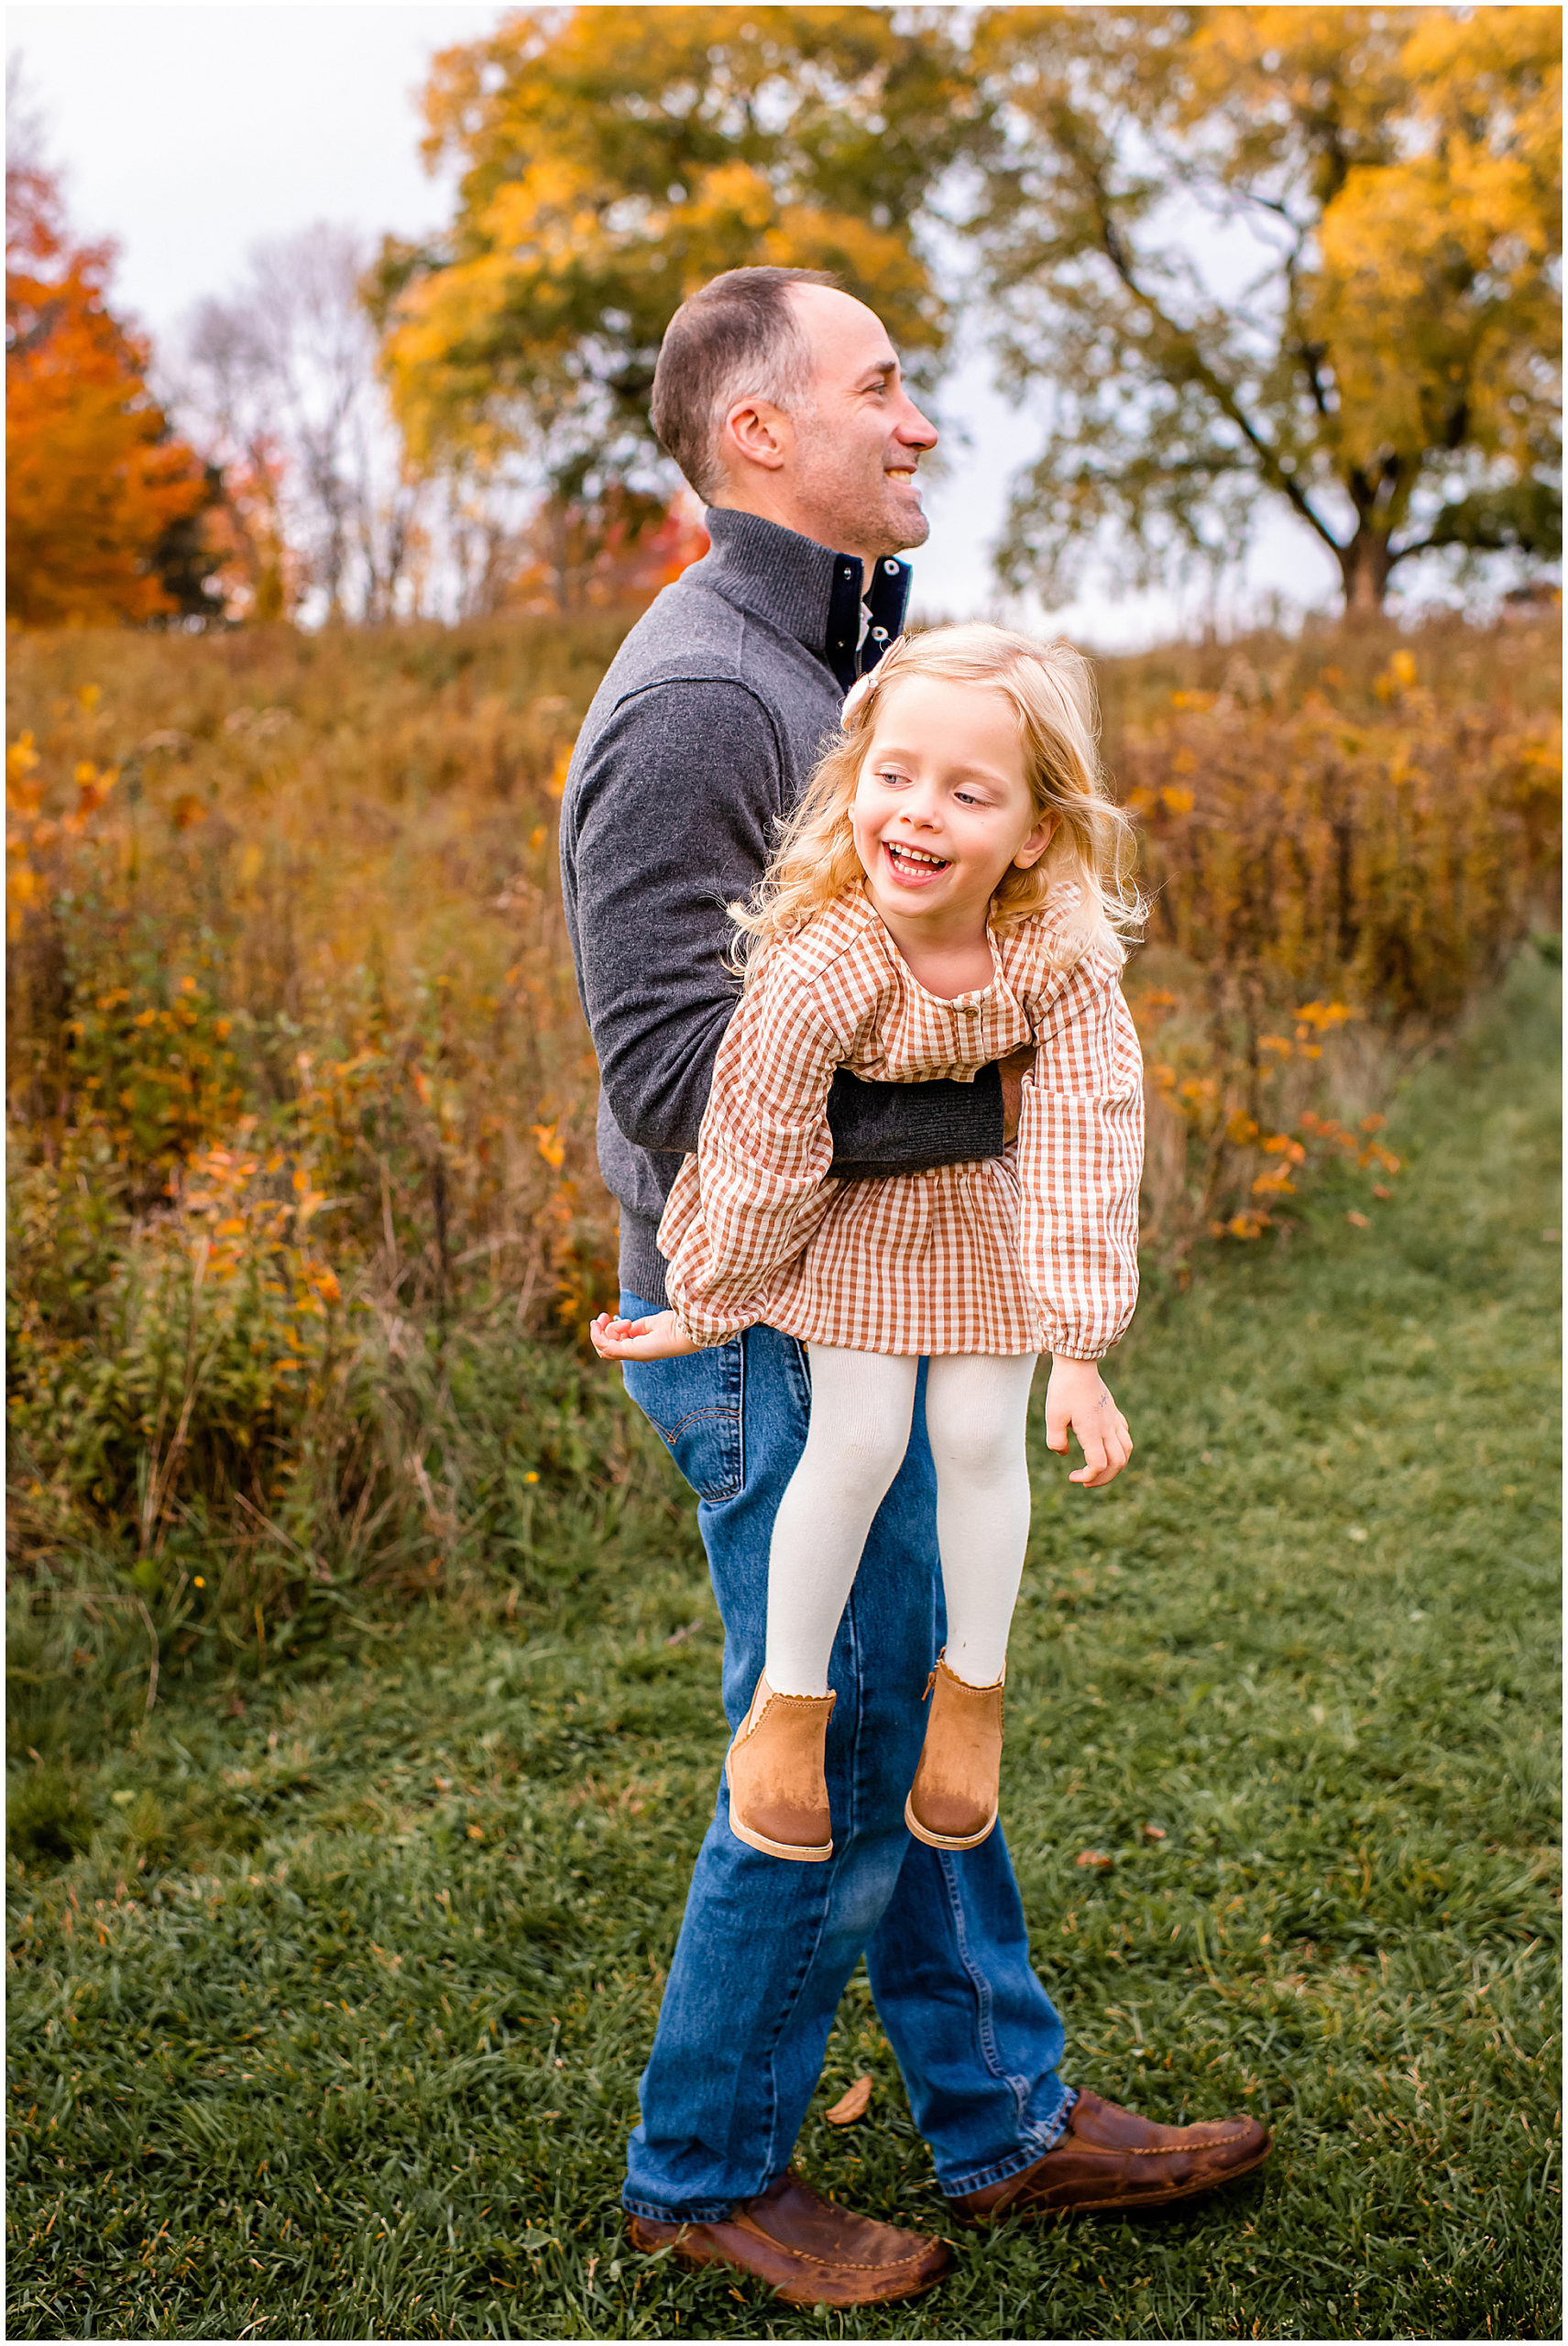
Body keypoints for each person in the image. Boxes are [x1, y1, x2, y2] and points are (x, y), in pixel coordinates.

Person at [558, 266, 1271, 2312]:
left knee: (917, 1712)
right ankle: (705, 2168)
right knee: (831, 1736)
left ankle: (1003, 2117)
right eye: (882, 385)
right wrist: (997, 1098)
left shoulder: (857, 678)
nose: (921, 420)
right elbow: (676, 1077)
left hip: (894, 1297)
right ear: (759, 431)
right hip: (770, 1318)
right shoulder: (706, 700)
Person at [590, 625, 1143, 1876]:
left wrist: (1082, 1346)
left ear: (1035, 832)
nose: (920, 811)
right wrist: (707, 1299)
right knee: (857, 1441)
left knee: (977, 1440)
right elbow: (761, 1140)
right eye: (895, 775)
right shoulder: (825, 961)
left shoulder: (1055, 959)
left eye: (969, 793)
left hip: (988, 1229)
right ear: (857, 782)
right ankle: (789, 1705)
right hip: (853, 1232)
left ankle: (974, 1694)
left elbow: (1086, 1134)